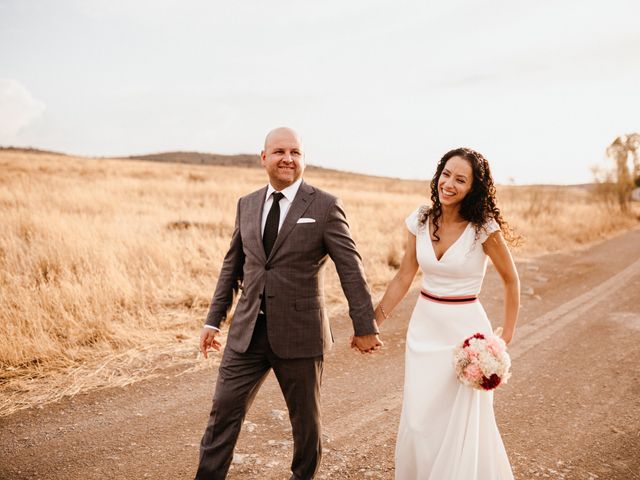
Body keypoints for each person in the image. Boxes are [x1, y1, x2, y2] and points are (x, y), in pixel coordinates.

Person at [195, 127, 383, 480]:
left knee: (305, 426)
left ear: (303, 158)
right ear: (263, 157)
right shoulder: (247, 204)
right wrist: (212, 321)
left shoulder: (325, 206)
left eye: (295, 152)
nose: (288, 158)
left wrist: (365, 327)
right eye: (280, 151)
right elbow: (232, 267)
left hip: (300, 335)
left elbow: (351, 269)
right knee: (222, 412)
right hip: (247, 334)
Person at [373, 148, 520, 479]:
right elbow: (404, 276)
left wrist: (504, 337)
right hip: (424, 329)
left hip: (466, 336)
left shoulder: (483, 227)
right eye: (446, 174)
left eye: (460, 179)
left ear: (473, 188)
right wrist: (373, 322)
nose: (449, 183)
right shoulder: (421, 219)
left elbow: (511, 280)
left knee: (459, 422)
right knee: (418, 418)